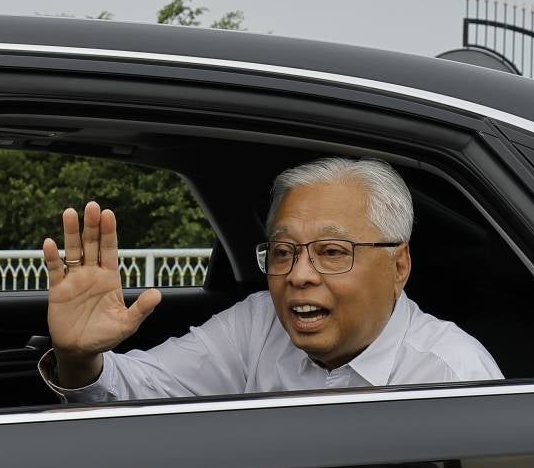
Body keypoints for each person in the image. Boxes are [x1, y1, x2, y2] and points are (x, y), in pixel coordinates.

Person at [38, 156, 503, 402]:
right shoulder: (260, 324)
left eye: (332, 252)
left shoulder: (452, 375)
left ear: (399, 266)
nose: (299, 275)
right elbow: (142, 392)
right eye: (283, 252)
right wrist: (79, 359)